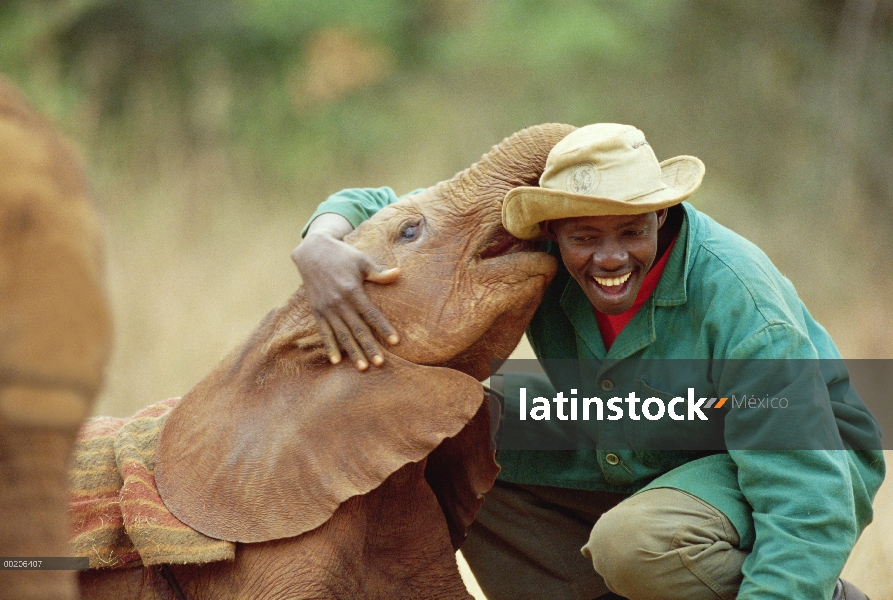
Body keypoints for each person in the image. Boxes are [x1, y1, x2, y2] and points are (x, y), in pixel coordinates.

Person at [292, 123, 884, 600]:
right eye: (584, 238)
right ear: (551, 232)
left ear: (660, 214)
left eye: (631, 231)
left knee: (635, 543)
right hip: (639, 423)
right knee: (457, 442)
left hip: (798, 449)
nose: (609, 258)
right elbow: (396, 210)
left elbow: (808, 498)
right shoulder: (530, 248)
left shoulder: (741, 305)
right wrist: (322, 241)